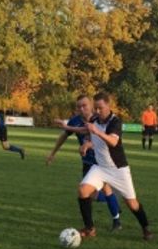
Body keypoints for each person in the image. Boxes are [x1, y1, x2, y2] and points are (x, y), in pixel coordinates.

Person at [59, 93, 153, 241]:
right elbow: (86, 130)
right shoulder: (95, 119)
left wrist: (97, 131)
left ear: (109, 105)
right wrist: (68, 127)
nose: (97, 111)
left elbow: (113, 142)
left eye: (100, 108)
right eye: (95, 108)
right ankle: (90, 228)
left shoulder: (115, 122)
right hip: (100, 167)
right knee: (83, 190)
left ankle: (146, 228)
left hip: (118, 169)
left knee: (132, 204)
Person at [47, 94, 122, 231]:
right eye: (79, 106)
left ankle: (116, 220)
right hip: (87, 162)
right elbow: (64, 135)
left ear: (91, 106)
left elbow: (104, 139)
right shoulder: (75, 121)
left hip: (102, 161)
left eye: (84, 105)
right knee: (91, 195)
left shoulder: (99, 119)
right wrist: (53, 153)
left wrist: (88, 144)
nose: (82, 109)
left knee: (104, 188)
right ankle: (113, 206)